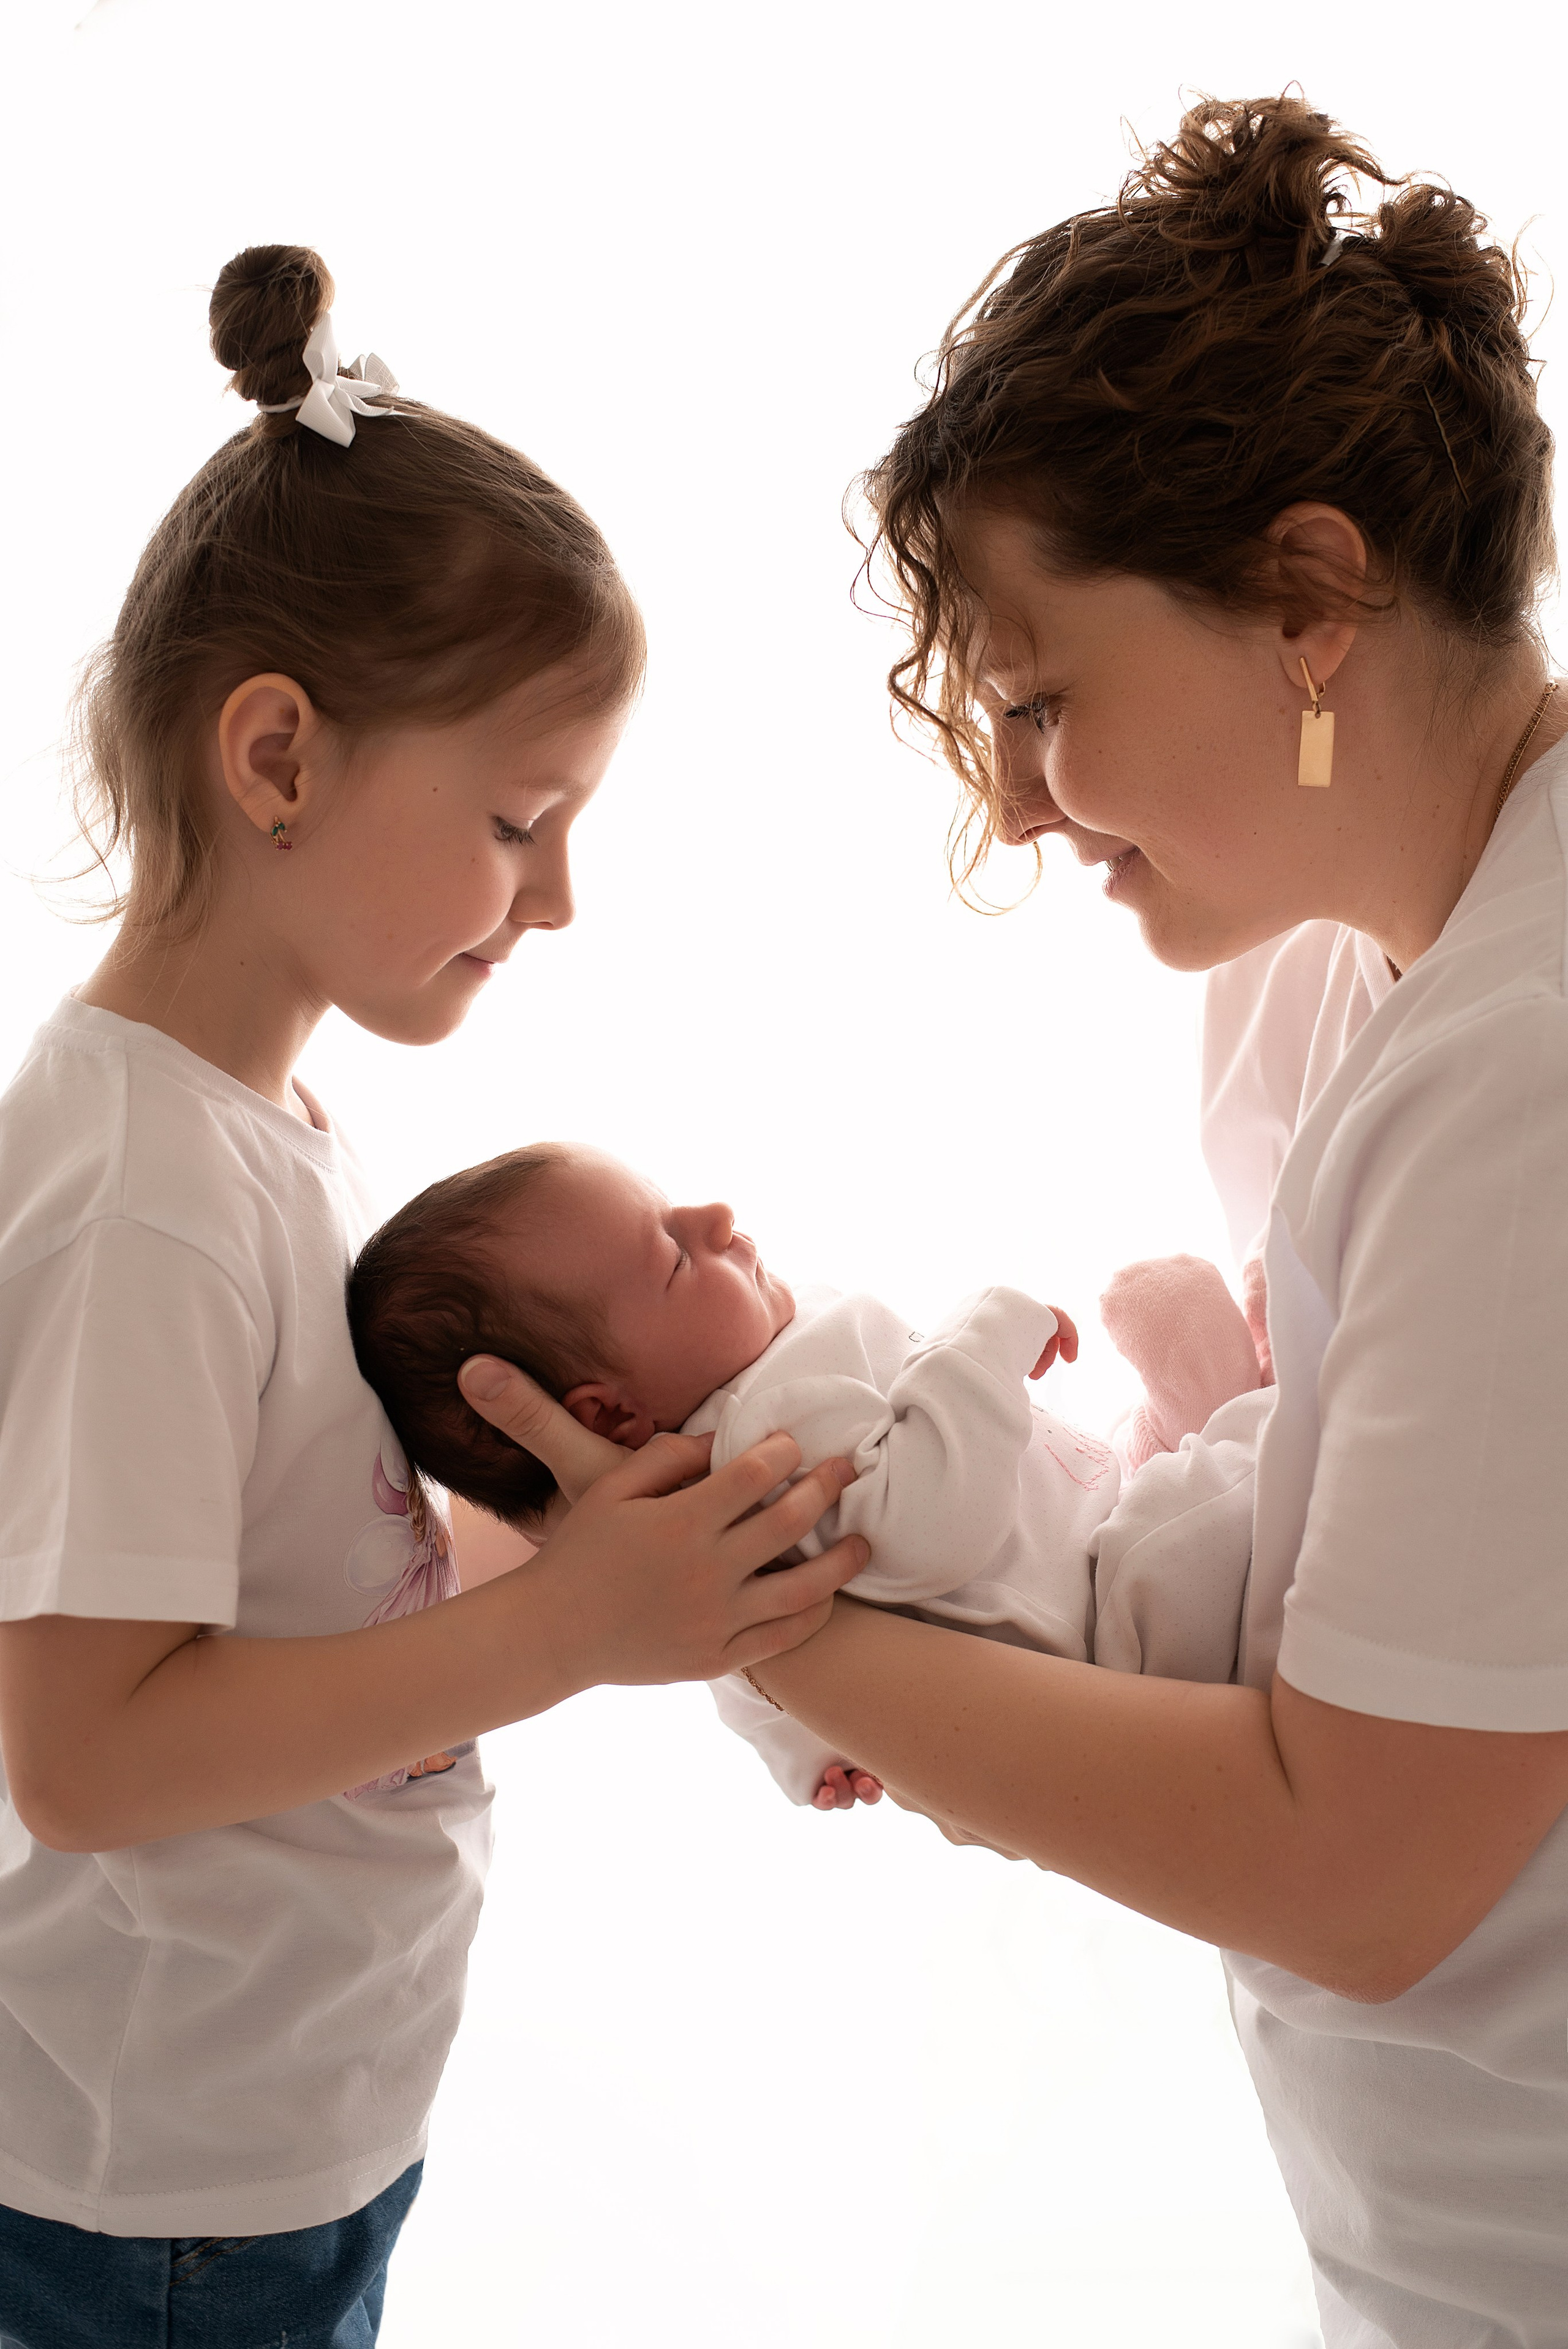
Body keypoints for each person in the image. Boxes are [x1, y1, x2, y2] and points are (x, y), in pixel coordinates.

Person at [459, 98, 1568, 2345]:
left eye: (1048, 699)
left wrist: (751, 1613)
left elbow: (1356, 1865)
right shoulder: (1315, 970)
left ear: (1317, 602)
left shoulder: (1526, 1068)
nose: (1021, 798)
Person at [0, 245, 866, 2348]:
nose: (557, 893)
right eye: (518, 819)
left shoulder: (257, 1125)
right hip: (158, 2202)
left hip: (272, 2139)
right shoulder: (147, 1197)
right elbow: (87, 1757)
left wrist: (637, 1578)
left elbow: (301, 1583)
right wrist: (565, 1633)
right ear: (277, 755)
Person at [344, 1139, 1266, 1806]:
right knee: (1244, 1465)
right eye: (673, 1253)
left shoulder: (698, 1506)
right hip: (1123, 1616)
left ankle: (1214, 1396)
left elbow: (739, 1653)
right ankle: (1249, 1400)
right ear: (608, 1413)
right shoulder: (762, 1426)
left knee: (1164, 1449)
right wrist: (985, 1330)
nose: (715, 1217)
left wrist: (803, 1749)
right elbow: (933, 1518)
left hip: (1096, 1523)